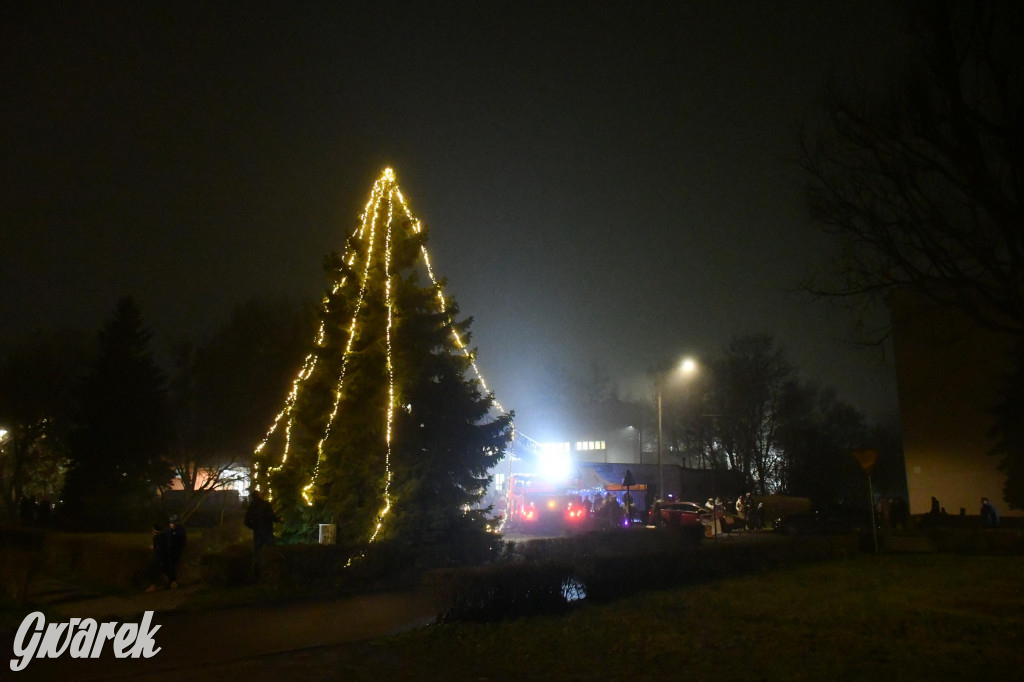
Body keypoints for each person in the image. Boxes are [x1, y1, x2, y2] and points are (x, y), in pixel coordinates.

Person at [245, 488, 282, 576]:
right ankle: (273, 569)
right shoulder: (265, 504)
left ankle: (256, 571)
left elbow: (246, 521)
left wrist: (254, 527)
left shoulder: (251, 507)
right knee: (271, 549)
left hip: (257, 531)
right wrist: (279, 520)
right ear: (259, 495)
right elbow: (270, 516)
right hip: (267, 530)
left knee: (257, 551)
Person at [146, 524, 169, 592]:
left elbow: (159, 548)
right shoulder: (164, 536)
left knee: (153, 570)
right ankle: (168, 584)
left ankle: (153, 586)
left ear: (155, 531)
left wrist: (153, 548)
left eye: (152, 531)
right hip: (165, 557)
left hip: (160, 558)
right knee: (163, 571)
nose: (151, 532)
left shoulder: (157, 538)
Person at [165, 514, 187, 588]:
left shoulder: (180, 531)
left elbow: (183, 542)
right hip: (167, 551)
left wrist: (179, 549)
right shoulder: (168, 530)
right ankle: (170, 581)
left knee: (172, 566)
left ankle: (173, 581)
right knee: (167, 566)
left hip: (175, 552)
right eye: (171, 523)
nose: (172, 525)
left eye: (174, 523)